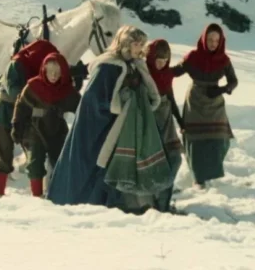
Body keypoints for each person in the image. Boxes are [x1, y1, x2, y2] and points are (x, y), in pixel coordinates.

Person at [47, 26, 178, 215]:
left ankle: (120, 206)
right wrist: (122, 99)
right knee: (93, 167)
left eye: (142, 44)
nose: (139, 48)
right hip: (98, 129)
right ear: (125, 43)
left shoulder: (134, 64)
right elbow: (93, 100)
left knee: (116, 166)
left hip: (120, 126)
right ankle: (86, 205)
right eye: (136, 43)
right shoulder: (108, 66)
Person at [0, 39, 58, 197]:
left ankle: (37, 197)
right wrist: (37, 99)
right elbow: (14, 92)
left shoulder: (40, 69)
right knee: (4, 157)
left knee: (35, 157)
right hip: (4, 114)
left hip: (25, 116)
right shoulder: (15, 65)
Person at [11, 53, 80, 197]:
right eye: (50, 72)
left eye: (57, 72)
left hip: (57, 130)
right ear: (44, 70)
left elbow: (80, 107)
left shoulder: (67, 90)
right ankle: (37, 196)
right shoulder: (33, 86)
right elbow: (21, 106)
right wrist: (17, 126)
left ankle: (58, 194)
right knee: (35, 164)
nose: (53, 76)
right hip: (35, 130)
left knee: (60, 163)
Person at [179, 23, 238, 189]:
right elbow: (175, 71)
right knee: (196, 140)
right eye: (210, 39)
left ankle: (211, 171)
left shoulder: (224, 60)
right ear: (204, 39)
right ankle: (198, 178)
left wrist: (222, 89)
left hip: (215, 101)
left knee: (220, 138)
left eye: (216, 40)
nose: (213, 43)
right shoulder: (193, 57)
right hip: (195, 100)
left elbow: (233, 81)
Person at [145, 39, 185, 209]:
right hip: (150, 124)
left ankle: (163, 201)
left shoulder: (166, 75)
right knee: (155, 163)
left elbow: (170, 98)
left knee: (175, 159)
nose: (161, 64)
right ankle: (157, 201)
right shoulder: (144, 74)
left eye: (165, 61)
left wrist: (181, 121)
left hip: (166, 123)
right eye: (158, 60)